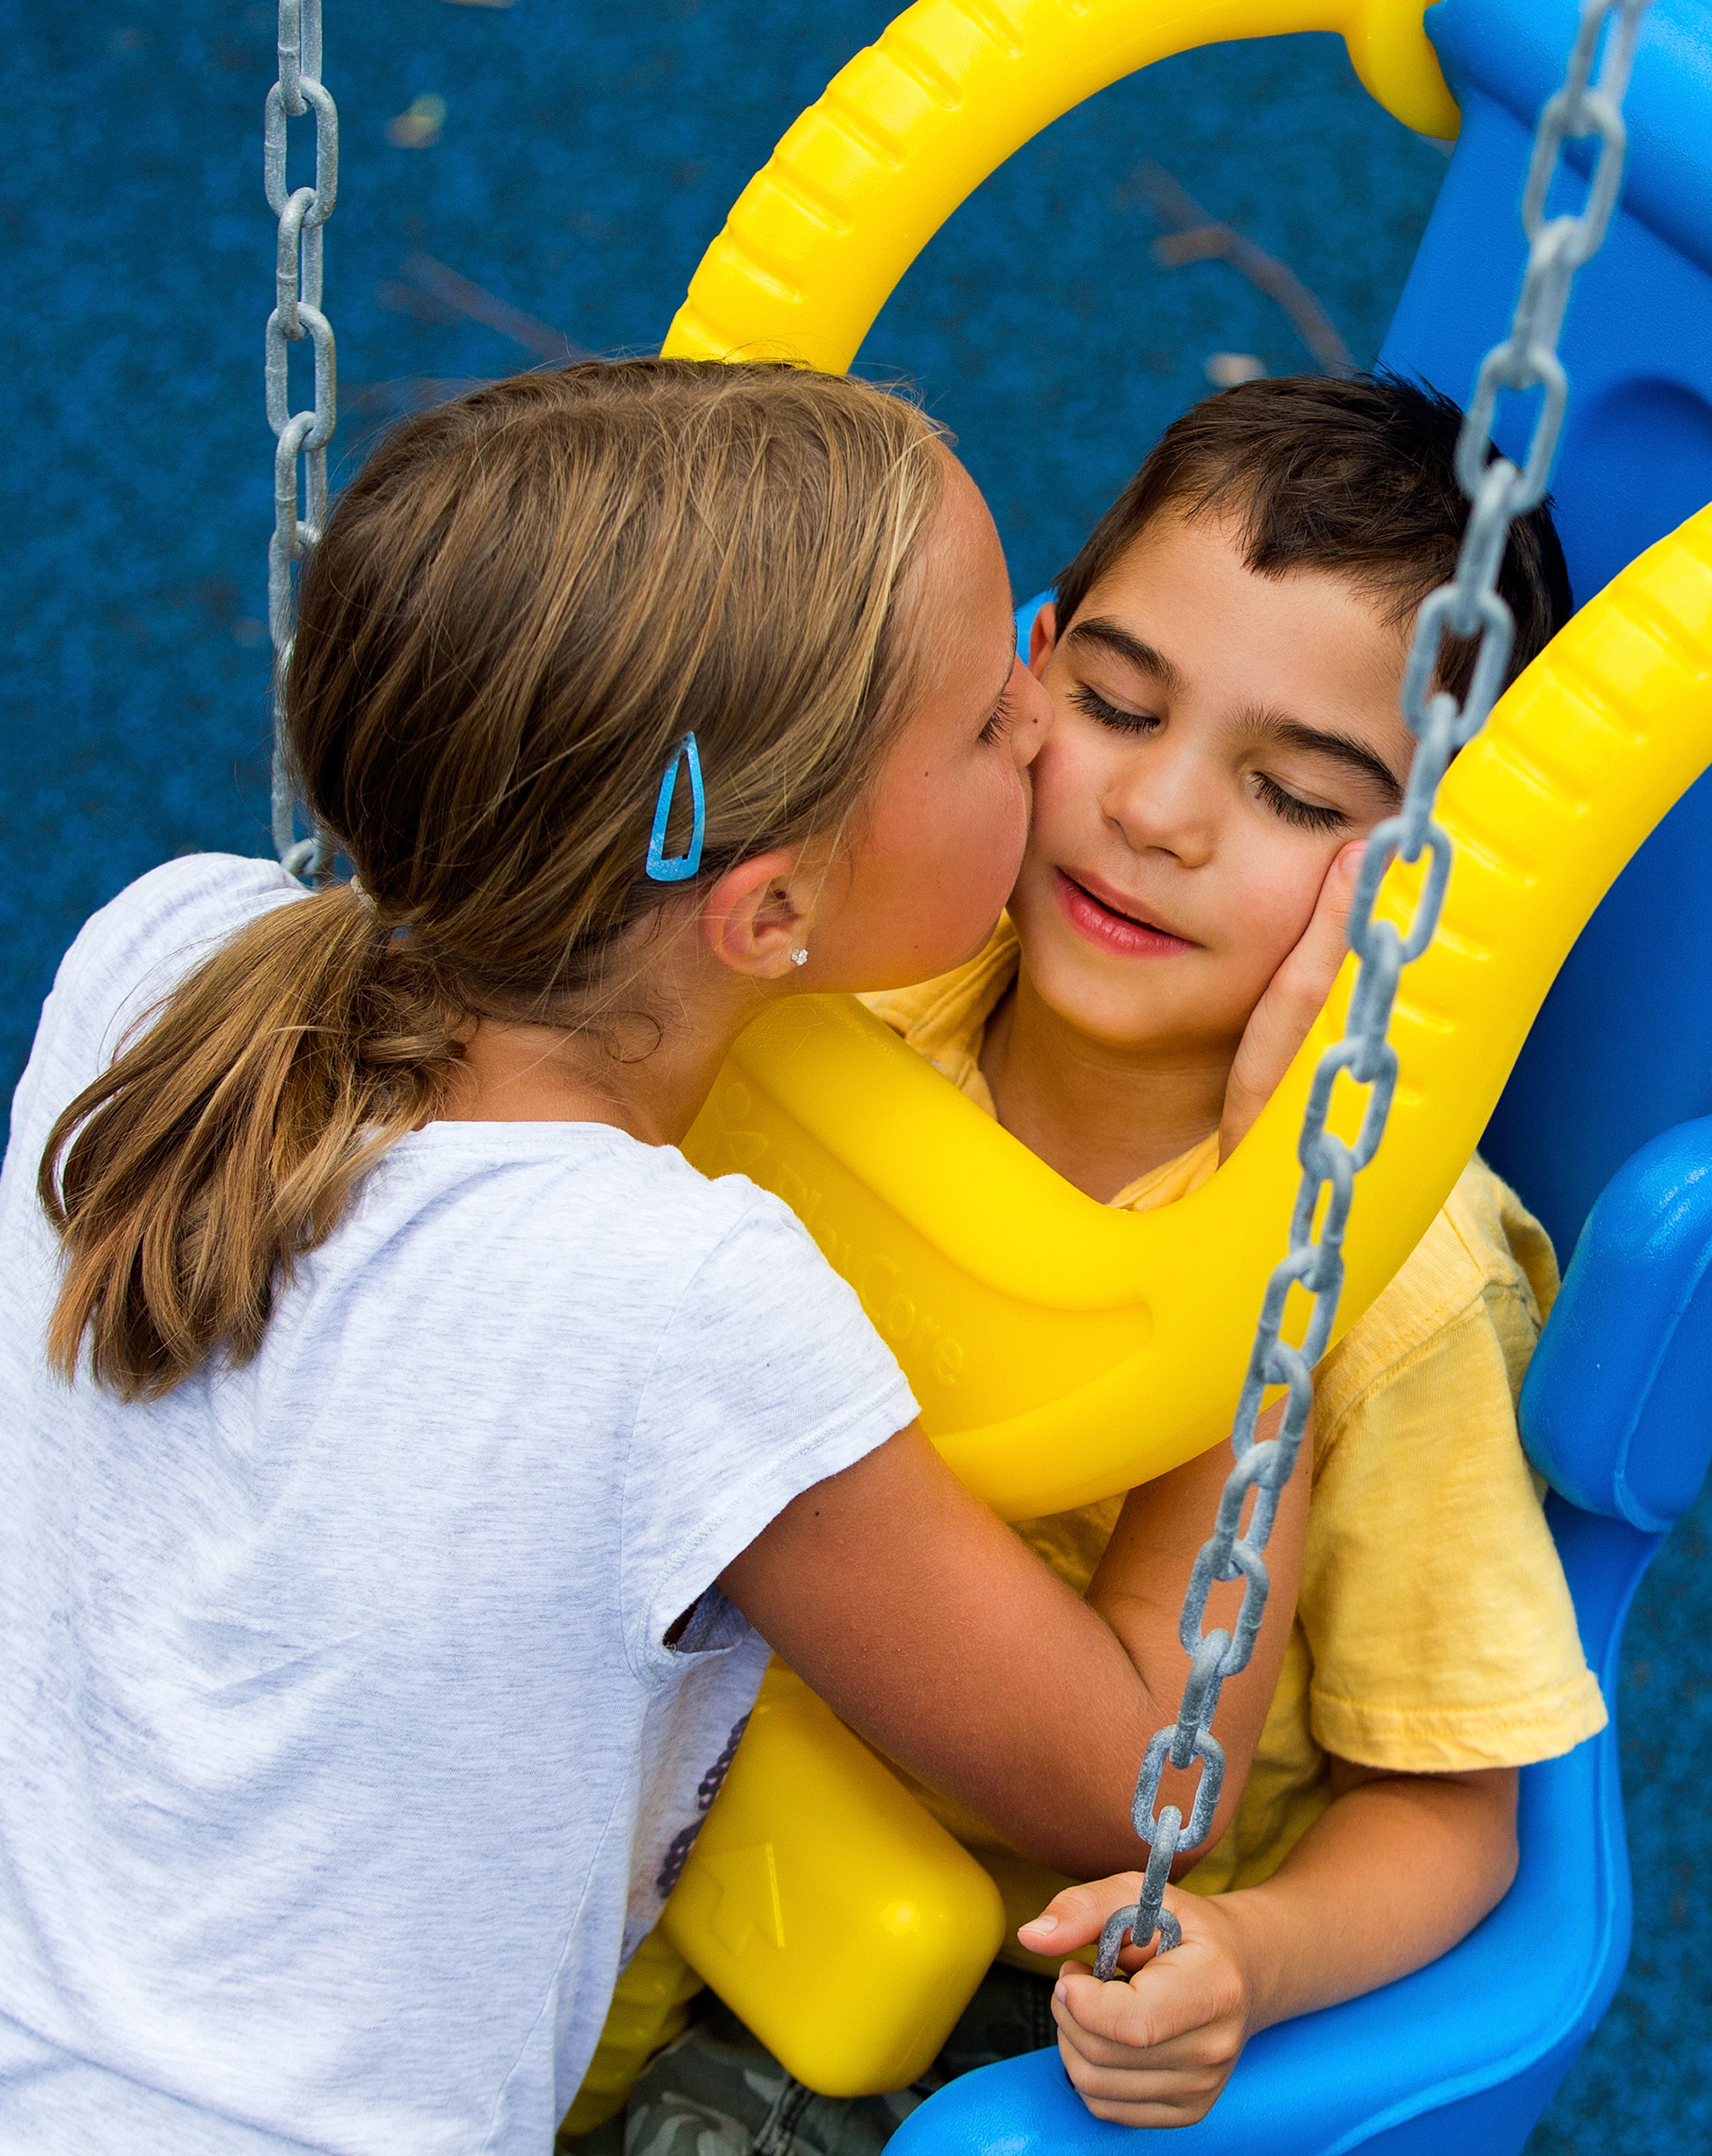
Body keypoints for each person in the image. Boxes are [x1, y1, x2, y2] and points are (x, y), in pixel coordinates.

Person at [0, 359, 1313, 2156]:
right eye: (984, 722)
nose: (1039, 714)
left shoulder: (155, 959)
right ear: (768, 912)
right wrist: (1280, 1216)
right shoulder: (677, 1305)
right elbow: (1138, 1781)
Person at [616, 371, 1608, 2150]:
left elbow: (1452, 1813)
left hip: (1019, 1951)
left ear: (1425, 891)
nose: (1156, 811)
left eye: (1294, 794)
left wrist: (1254, 1955)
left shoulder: (1403, 1281)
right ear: (1024, 674)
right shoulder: (866, 995)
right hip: (732, 1756)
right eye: (1116, 704)